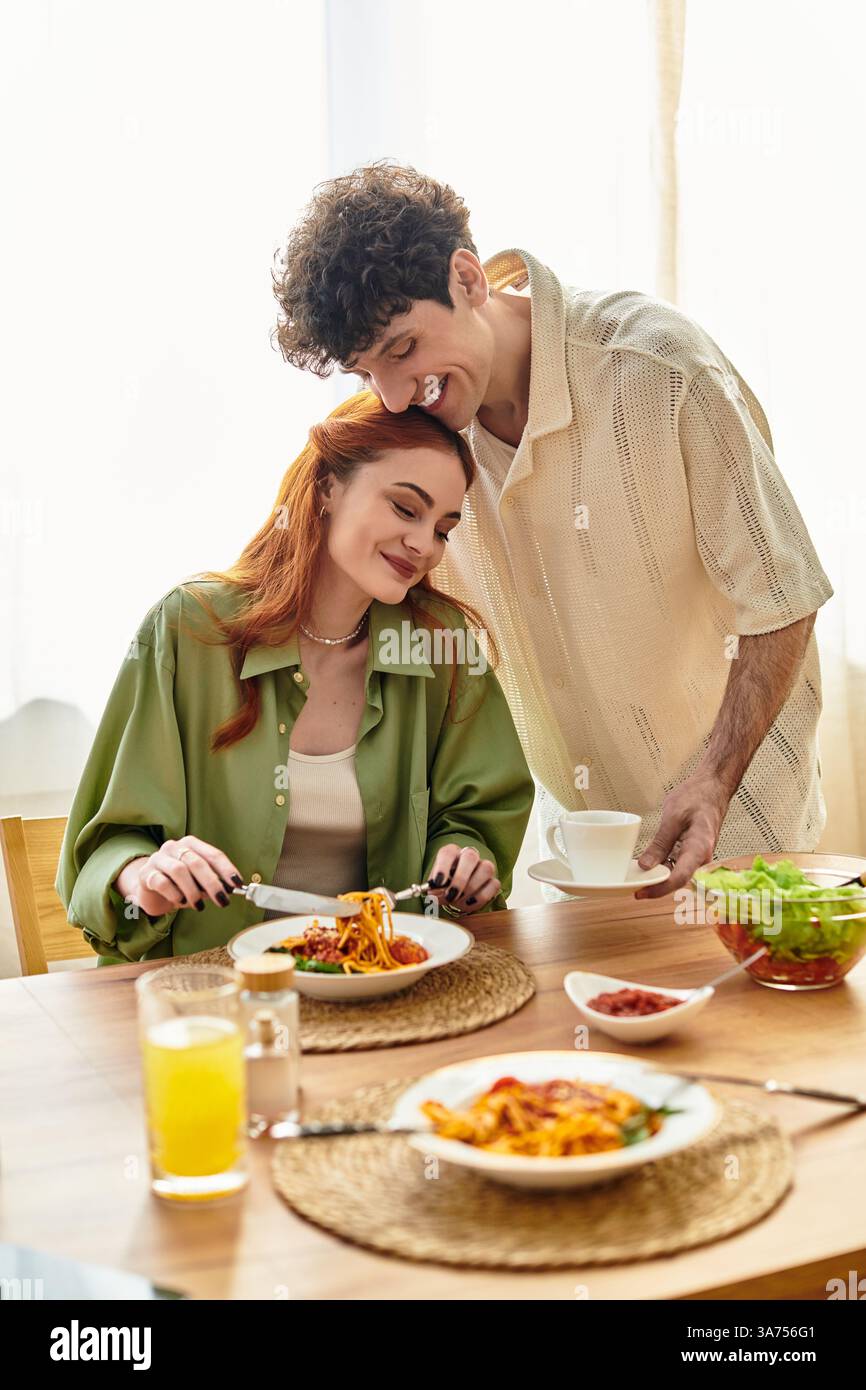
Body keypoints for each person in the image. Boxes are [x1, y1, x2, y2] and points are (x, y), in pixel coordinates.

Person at [271, 161, 834, 901]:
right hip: (581, 852)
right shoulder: (415, 441)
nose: (396, 393)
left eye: (405, 350)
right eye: (367, 372)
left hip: (735, 823)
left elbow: (782, 592)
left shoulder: (661, 369)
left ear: (468, 279)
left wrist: (716, 781)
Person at [55, 391, 534, 964]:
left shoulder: (439, 643)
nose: (423, 545)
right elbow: (107, 849)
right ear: (328, 487)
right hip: (209, 999)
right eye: (407, 509)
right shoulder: (189, 629)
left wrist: (465, 856)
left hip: (380, 986)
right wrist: (144, 878)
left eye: (443, 528)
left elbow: (477, 821)